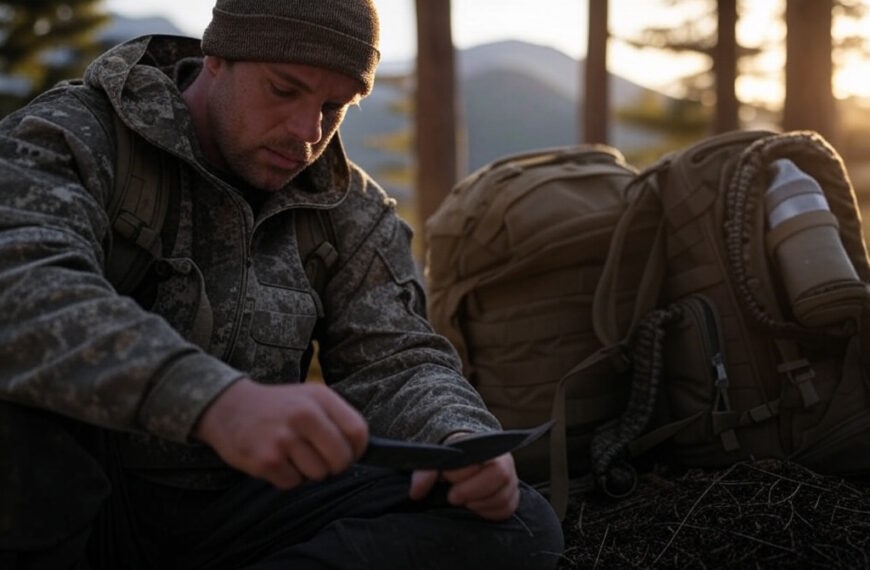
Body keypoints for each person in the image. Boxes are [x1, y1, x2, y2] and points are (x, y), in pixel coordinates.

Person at [0, 1, 564, 568]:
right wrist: (214, 401)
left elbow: (395, 360)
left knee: (516, 523)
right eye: (284, 90)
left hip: (245, 506)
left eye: (333, 107)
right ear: (217, 56)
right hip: (80, 490)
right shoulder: (77, 137)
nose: (307, 132)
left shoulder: (347, 208)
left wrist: (457, 438)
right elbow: (23, 283)